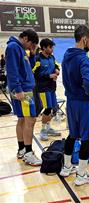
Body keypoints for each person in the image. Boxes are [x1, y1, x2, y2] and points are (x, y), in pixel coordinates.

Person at [60, 25, 89, 186]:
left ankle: (67, 167)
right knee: (86, 137)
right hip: (83, 103)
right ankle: (82, 174)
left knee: (72, 134)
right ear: (84, 39)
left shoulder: (66, 55)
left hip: (71, 102)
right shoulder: (84, 59)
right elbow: (88, 82)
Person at [5, 29, 41, 166]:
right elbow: (12, 70)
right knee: (30, 120)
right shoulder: (14, 47)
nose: (31, 47)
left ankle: (22, 149)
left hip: (23, 89)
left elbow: (26, 69)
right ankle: (28, 153)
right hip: (23, 91)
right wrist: (17, 89)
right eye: (31, 44)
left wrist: (32, 55)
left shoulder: (19, 49)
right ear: (25, 38)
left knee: (22, 119)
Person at [32, 38, 61, 141]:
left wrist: (57, 70)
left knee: (53, 108)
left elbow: (57, 65)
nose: (52, 49)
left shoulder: (52, 57)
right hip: (43, 88)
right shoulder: (38, 59)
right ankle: (43, 131)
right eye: (50, 47)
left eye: (52, 47)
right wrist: (49, 76)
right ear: (44, 48)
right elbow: (35, 73)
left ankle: (48, 128)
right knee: (47, 108)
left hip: (52, 87)